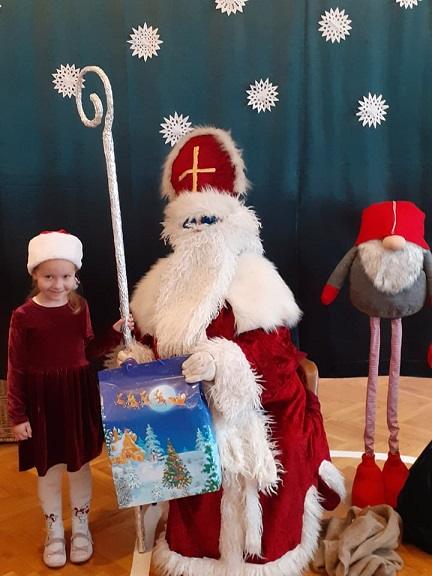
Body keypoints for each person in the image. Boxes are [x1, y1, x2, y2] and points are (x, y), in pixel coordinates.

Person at [120, 127, 345, 576]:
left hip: (256, 405)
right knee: (169, 441)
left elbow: (277, 359)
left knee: (277, 445)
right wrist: (135, 356)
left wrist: (223, 362)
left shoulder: (256, 279)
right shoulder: (161, 284)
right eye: (190, 223)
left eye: (209, 221)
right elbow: (147, 345)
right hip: (182, 409)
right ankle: (196, 553)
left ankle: (261, 556)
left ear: (232, 221)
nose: (200, 232)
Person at [7, 229, 133, 568]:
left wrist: (114, 334)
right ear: (35, 275)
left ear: (75, 276)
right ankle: (53, 531)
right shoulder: (23, 316)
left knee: (79, 466)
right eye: (49, 276)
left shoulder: (80, 308)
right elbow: (16, 367)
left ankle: (80, 527)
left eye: (65, 276)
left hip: (76, 399)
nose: (58, 284)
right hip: (42, 405)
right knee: (48, 470)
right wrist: (17, 415)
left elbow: (87, 352)